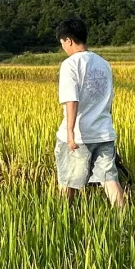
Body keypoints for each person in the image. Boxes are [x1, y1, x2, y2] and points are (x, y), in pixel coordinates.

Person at [55, 16, 124, 208]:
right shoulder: (103, 63)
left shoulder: (70, 64)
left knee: (68, 180)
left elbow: (71, 99)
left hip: (80, 136)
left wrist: (70, 132)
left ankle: (63, 219)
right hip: (103, 132)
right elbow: (109, 99)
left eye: (62, 43)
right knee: (110, 179)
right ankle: (124, 219)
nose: (63, 47)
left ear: (68, 40)